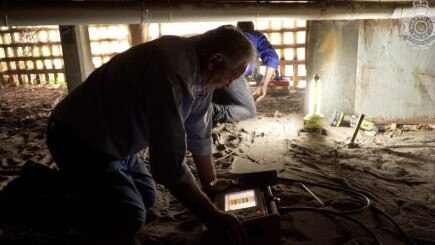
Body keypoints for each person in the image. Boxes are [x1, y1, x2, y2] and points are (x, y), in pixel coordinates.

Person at [43, 25, 256, 242]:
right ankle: (37, 191)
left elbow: (199, 132)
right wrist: (212, 217)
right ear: (215, 61)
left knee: (146, 194)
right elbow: (168, 167)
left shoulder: (202, 72)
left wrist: (210, 183)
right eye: (230, 77)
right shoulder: (171, 72)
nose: (228, 84)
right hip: (77, 138)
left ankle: (79, 183)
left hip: (116, 143)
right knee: (129, 216)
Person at [212, 21, 279, 123]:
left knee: (228, 100)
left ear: (238, 26)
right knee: (249, 111)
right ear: (252, 27)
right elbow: (273, 58)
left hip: (211, 72)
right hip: (231, 72)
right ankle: (210, 111)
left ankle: (205, 106)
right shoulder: (255, 35)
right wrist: (263, 84)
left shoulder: (231, 35)